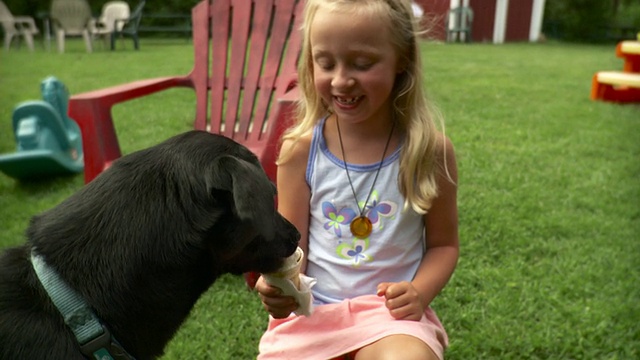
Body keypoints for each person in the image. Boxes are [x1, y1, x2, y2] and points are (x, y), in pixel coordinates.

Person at [255, 0, 459, 359]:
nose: (341, 79)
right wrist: (279, 286)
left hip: (391, 320)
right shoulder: (299, 151)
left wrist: (419, 291)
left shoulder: (429, 151)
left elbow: (444, 245)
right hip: (312, 316)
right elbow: (291, 249)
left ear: (403, 60)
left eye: (362, 64)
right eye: (325, 62)